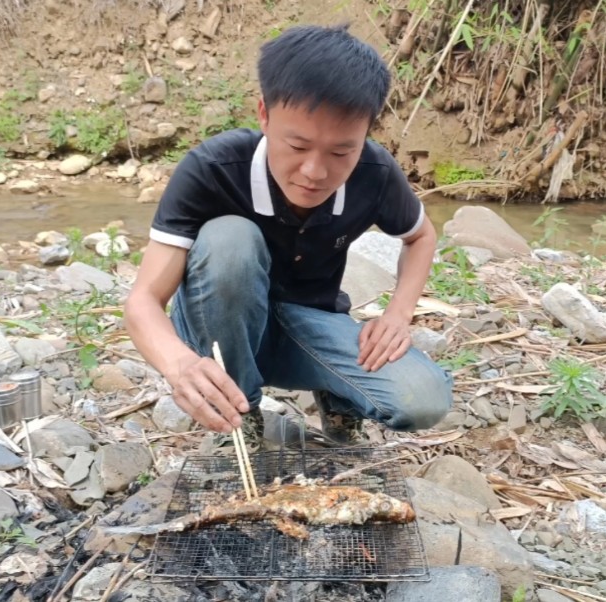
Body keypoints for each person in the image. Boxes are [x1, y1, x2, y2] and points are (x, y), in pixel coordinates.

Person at [123, 23, 453, 450]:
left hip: (308, 328)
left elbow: (420, 236)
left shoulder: (374, 173)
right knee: (229, 241)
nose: (316, 172)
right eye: (297, 146)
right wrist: (179, 364)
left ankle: (339, 400)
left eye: (341, 152)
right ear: (263, 113)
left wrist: (397, 314)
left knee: (421, 399)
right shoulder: (212, 170)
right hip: (221, 330)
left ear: (366, 132)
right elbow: (143, 301)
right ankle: (240, 418)